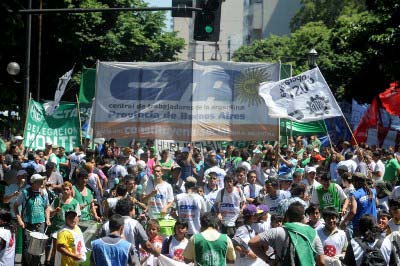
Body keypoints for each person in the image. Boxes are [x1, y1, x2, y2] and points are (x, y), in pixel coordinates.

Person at [248, 202, 324, 266]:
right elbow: (321, 262)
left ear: (287, 216)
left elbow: (252, 242)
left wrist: (269, 260)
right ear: (303, 216)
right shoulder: (312, 232)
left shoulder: (277, 231)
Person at [14, 173, 51, 265]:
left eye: (42, 181)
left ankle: (36, 264)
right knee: (27, 246)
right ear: (33, 183)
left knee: (39, 246)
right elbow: (15, 206)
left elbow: (47, 207)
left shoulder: (44, 193)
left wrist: (47, 219)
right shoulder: (25, 193)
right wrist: (19, 219)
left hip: (40, 223)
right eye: (39, 181)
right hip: (28, 223)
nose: (42, 183)